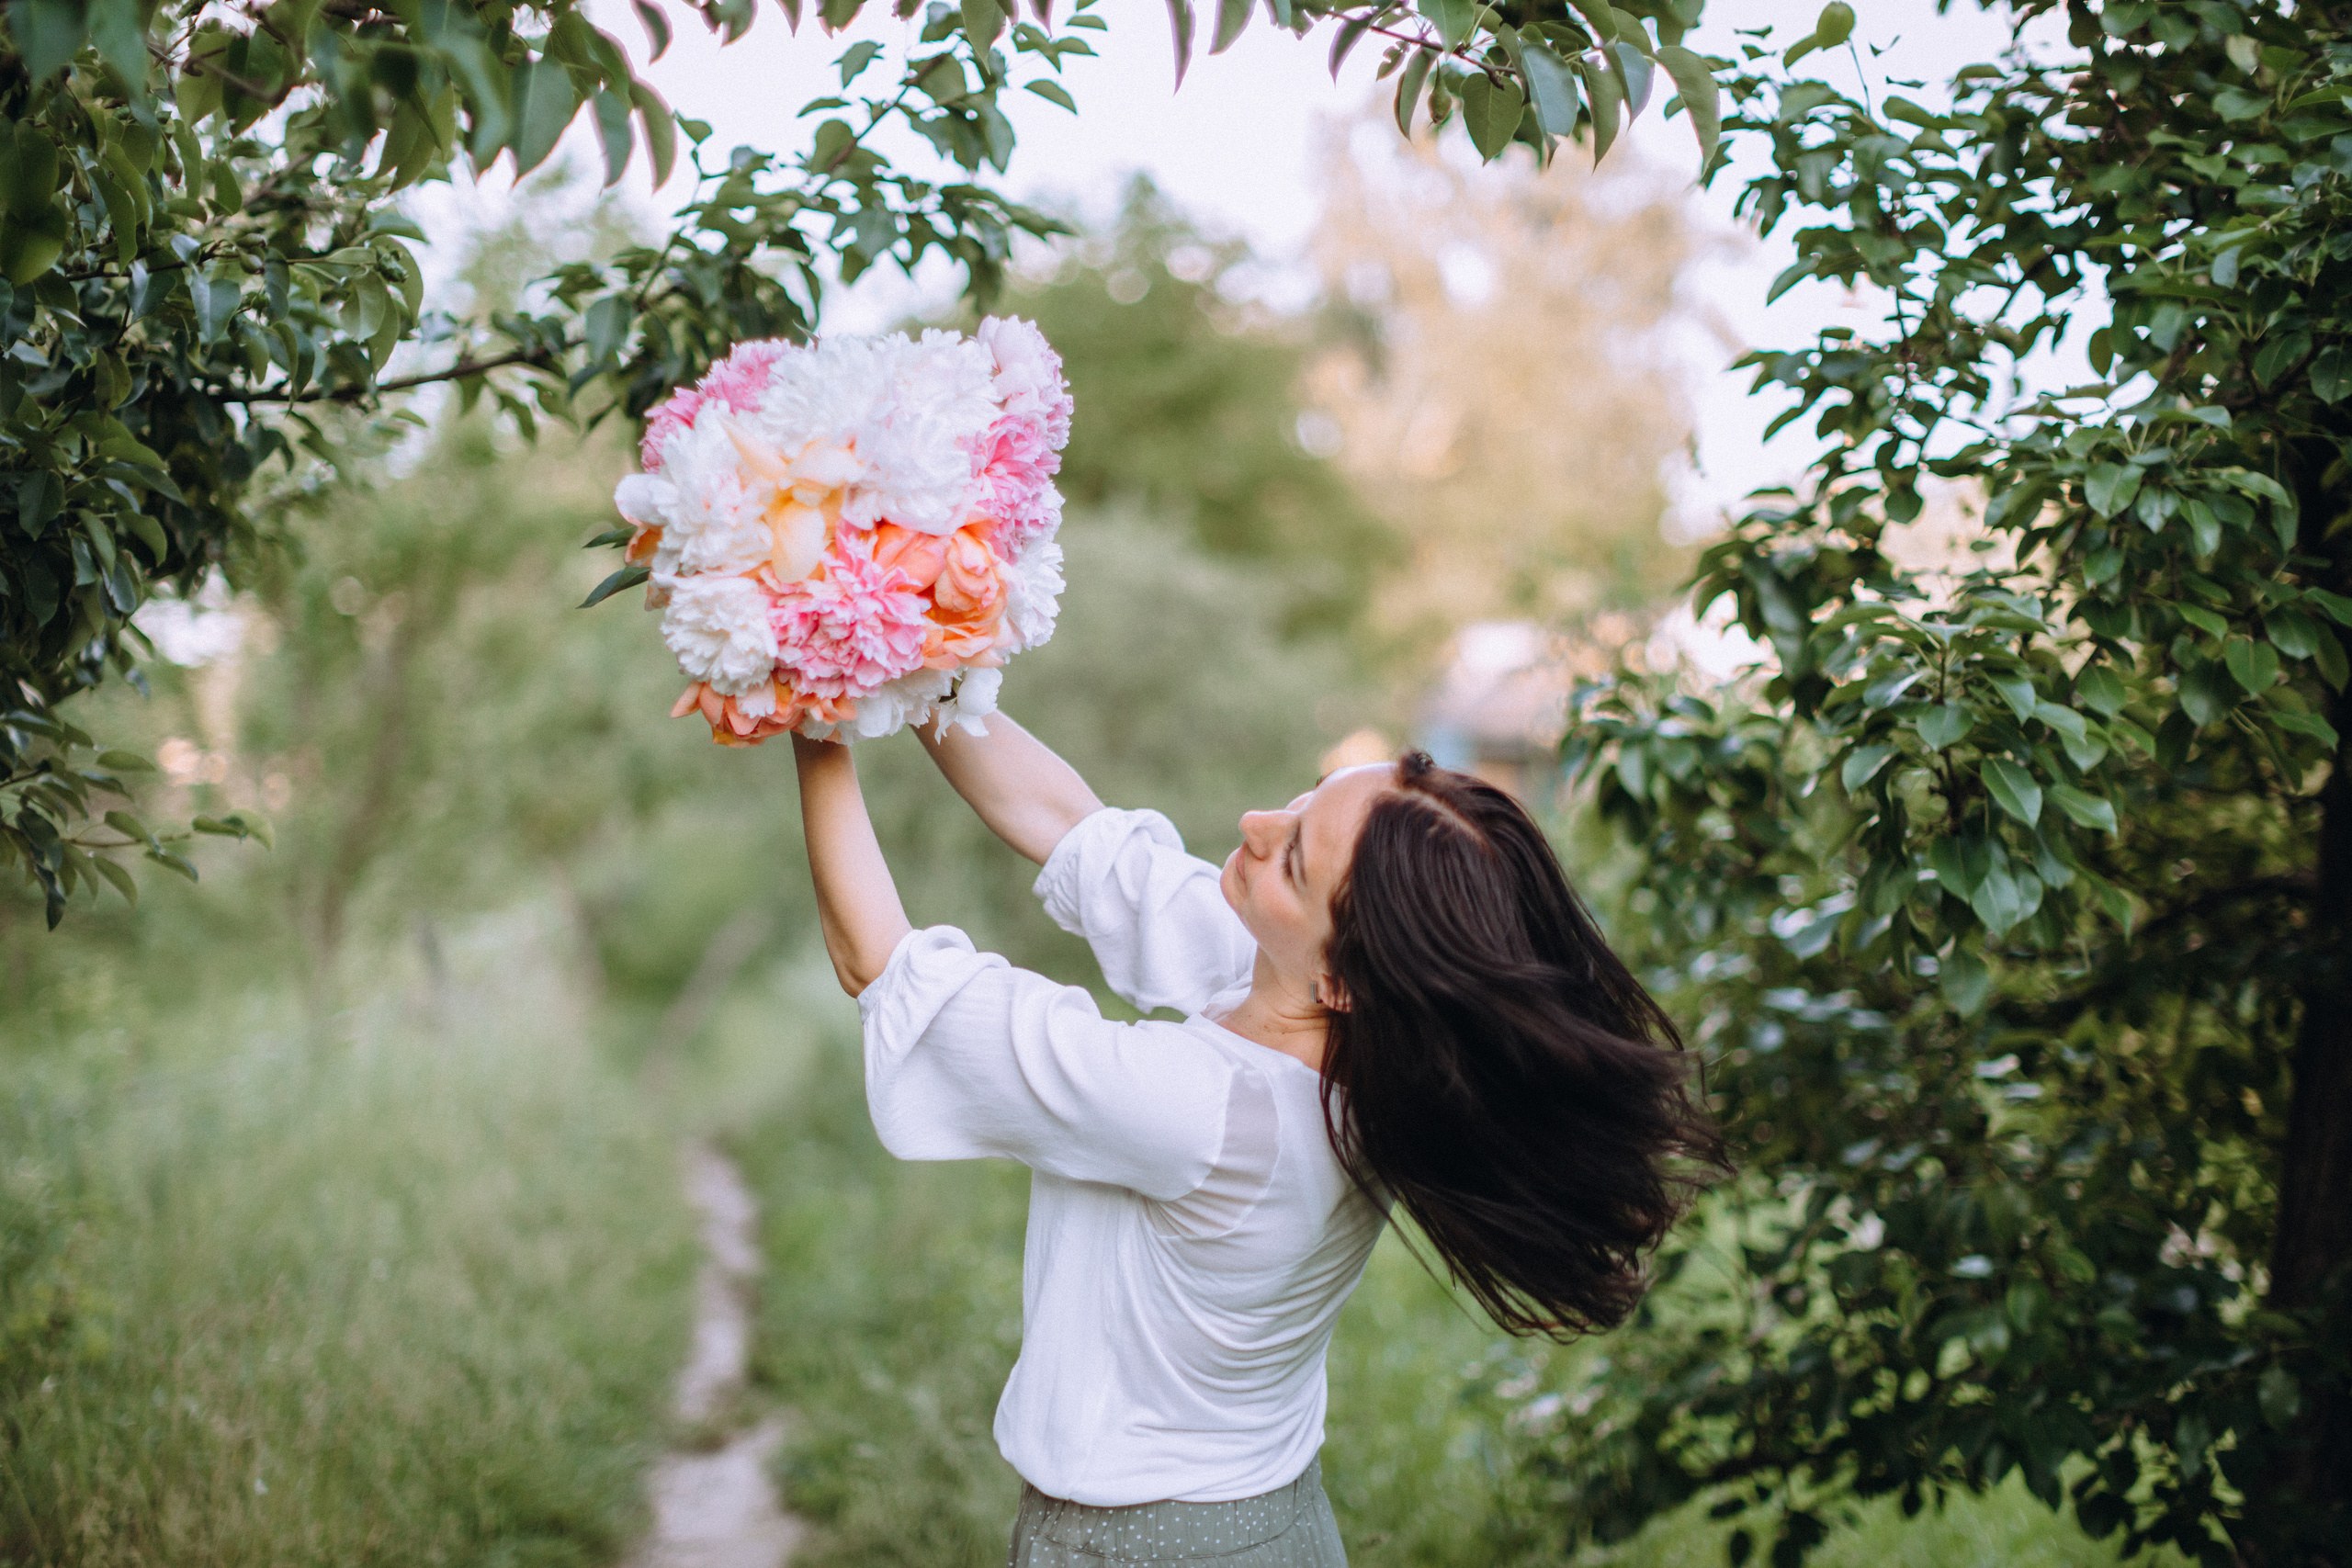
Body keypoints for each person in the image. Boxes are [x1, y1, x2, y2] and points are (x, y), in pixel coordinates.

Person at [790, 714, 1725, 1567]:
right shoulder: (1341, 1027)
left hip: (1147, 1549)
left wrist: (811, 716)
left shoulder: (1199, 1110)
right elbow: (1062, 821)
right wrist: (911, 660)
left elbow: (878, 962)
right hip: (1268, 1526)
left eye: (1294, 861)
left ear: (1347, 981)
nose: (1253, 826)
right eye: (1300, 804)